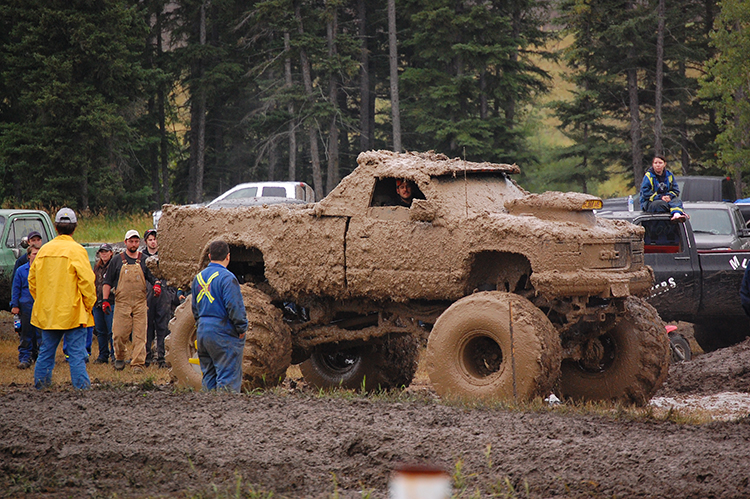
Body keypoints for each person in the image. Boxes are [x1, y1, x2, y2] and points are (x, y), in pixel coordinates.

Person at [30, 208, 96, 390]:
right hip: (72, 312)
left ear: (56, 227)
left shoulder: (43, 251)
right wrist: (88, 306)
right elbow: (87, 282)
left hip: (48, 312)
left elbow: (32, 280)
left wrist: (42, 301)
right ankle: (81, 390)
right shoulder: (77, 250)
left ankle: (41, 388)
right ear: (74, 227)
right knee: (76, 354)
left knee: (46, 351)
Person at [191, 240, 248, 392]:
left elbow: (194, 309)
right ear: (228, 257)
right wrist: (242, 328)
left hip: (203, 332)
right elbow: (234, 307)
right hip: (223, 333)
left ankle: (207, 412)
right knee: (227, 377)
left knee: (209, 376)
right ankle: (225, 413)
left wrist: (201, 325)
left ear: (209, 256)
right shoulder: (228, 278)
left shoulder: (198, 278)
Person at [102, 230, 162, 373]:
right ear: (125, 242)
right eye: (131, 241)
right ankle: (120, 357)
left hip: (140, 302)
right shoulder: (117, 260)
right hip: (122, 303)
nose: (134, 244)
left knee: (140, 335)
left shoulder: (145, 259)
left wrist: (157, 285)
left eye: (136, 241)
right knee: (119, 334)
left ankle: (137, 364)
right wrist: (104, 300)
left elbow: (154, 277)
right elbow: (107, 282)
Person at [143, 228, 181, 368]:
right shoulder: (142, 257)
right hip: (147, 295)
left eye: (155, 239)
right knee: (147, 327)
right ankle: (146, 357)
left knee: (163, 327)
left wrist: (171, 294)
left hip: (164, 295)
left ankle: (162, 358)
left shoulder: (165, 256)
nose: (153, 242)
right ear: (146, 241)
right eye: (150, 239)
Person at [11, 245, 41, 369]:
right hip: (26, 305)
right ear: (29, 255)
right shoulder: (21, 271)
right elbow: (15, 289)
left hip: (40, 305)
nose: (36, 256)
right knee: (26, 333)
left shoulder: (44, 270)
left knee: (40, 333)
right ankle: (25, 357)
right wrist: (14, 305)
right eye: (34, 254)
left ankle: (40, 357)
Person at [640, 156, 687, 221]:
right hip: (650, 202)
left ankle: (677, 215)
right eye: (655, 163)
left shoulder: (669, 175)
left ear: (664, 164)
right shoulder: (648, 176)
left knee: (677, 201)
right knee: (660, 204)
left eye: (660, 163)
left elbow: (675, 190)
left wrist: (669, 196)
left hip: (667, 199)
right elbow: (646, 193)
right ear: (653, 164)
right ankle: (677, 212)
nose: (658, 165)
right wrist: (661, 197)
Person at [92, 244, 115, 364]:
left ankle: (114, 355)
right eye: (102, 252)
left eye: (106, 251)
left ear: (111, 253)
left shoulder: (115, 265)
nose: (104, 254)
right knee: (100, 331)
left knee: (112, 330)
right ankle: (103, 355)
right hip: (98, 303)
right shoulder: (97, 267)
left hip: (111, 302)